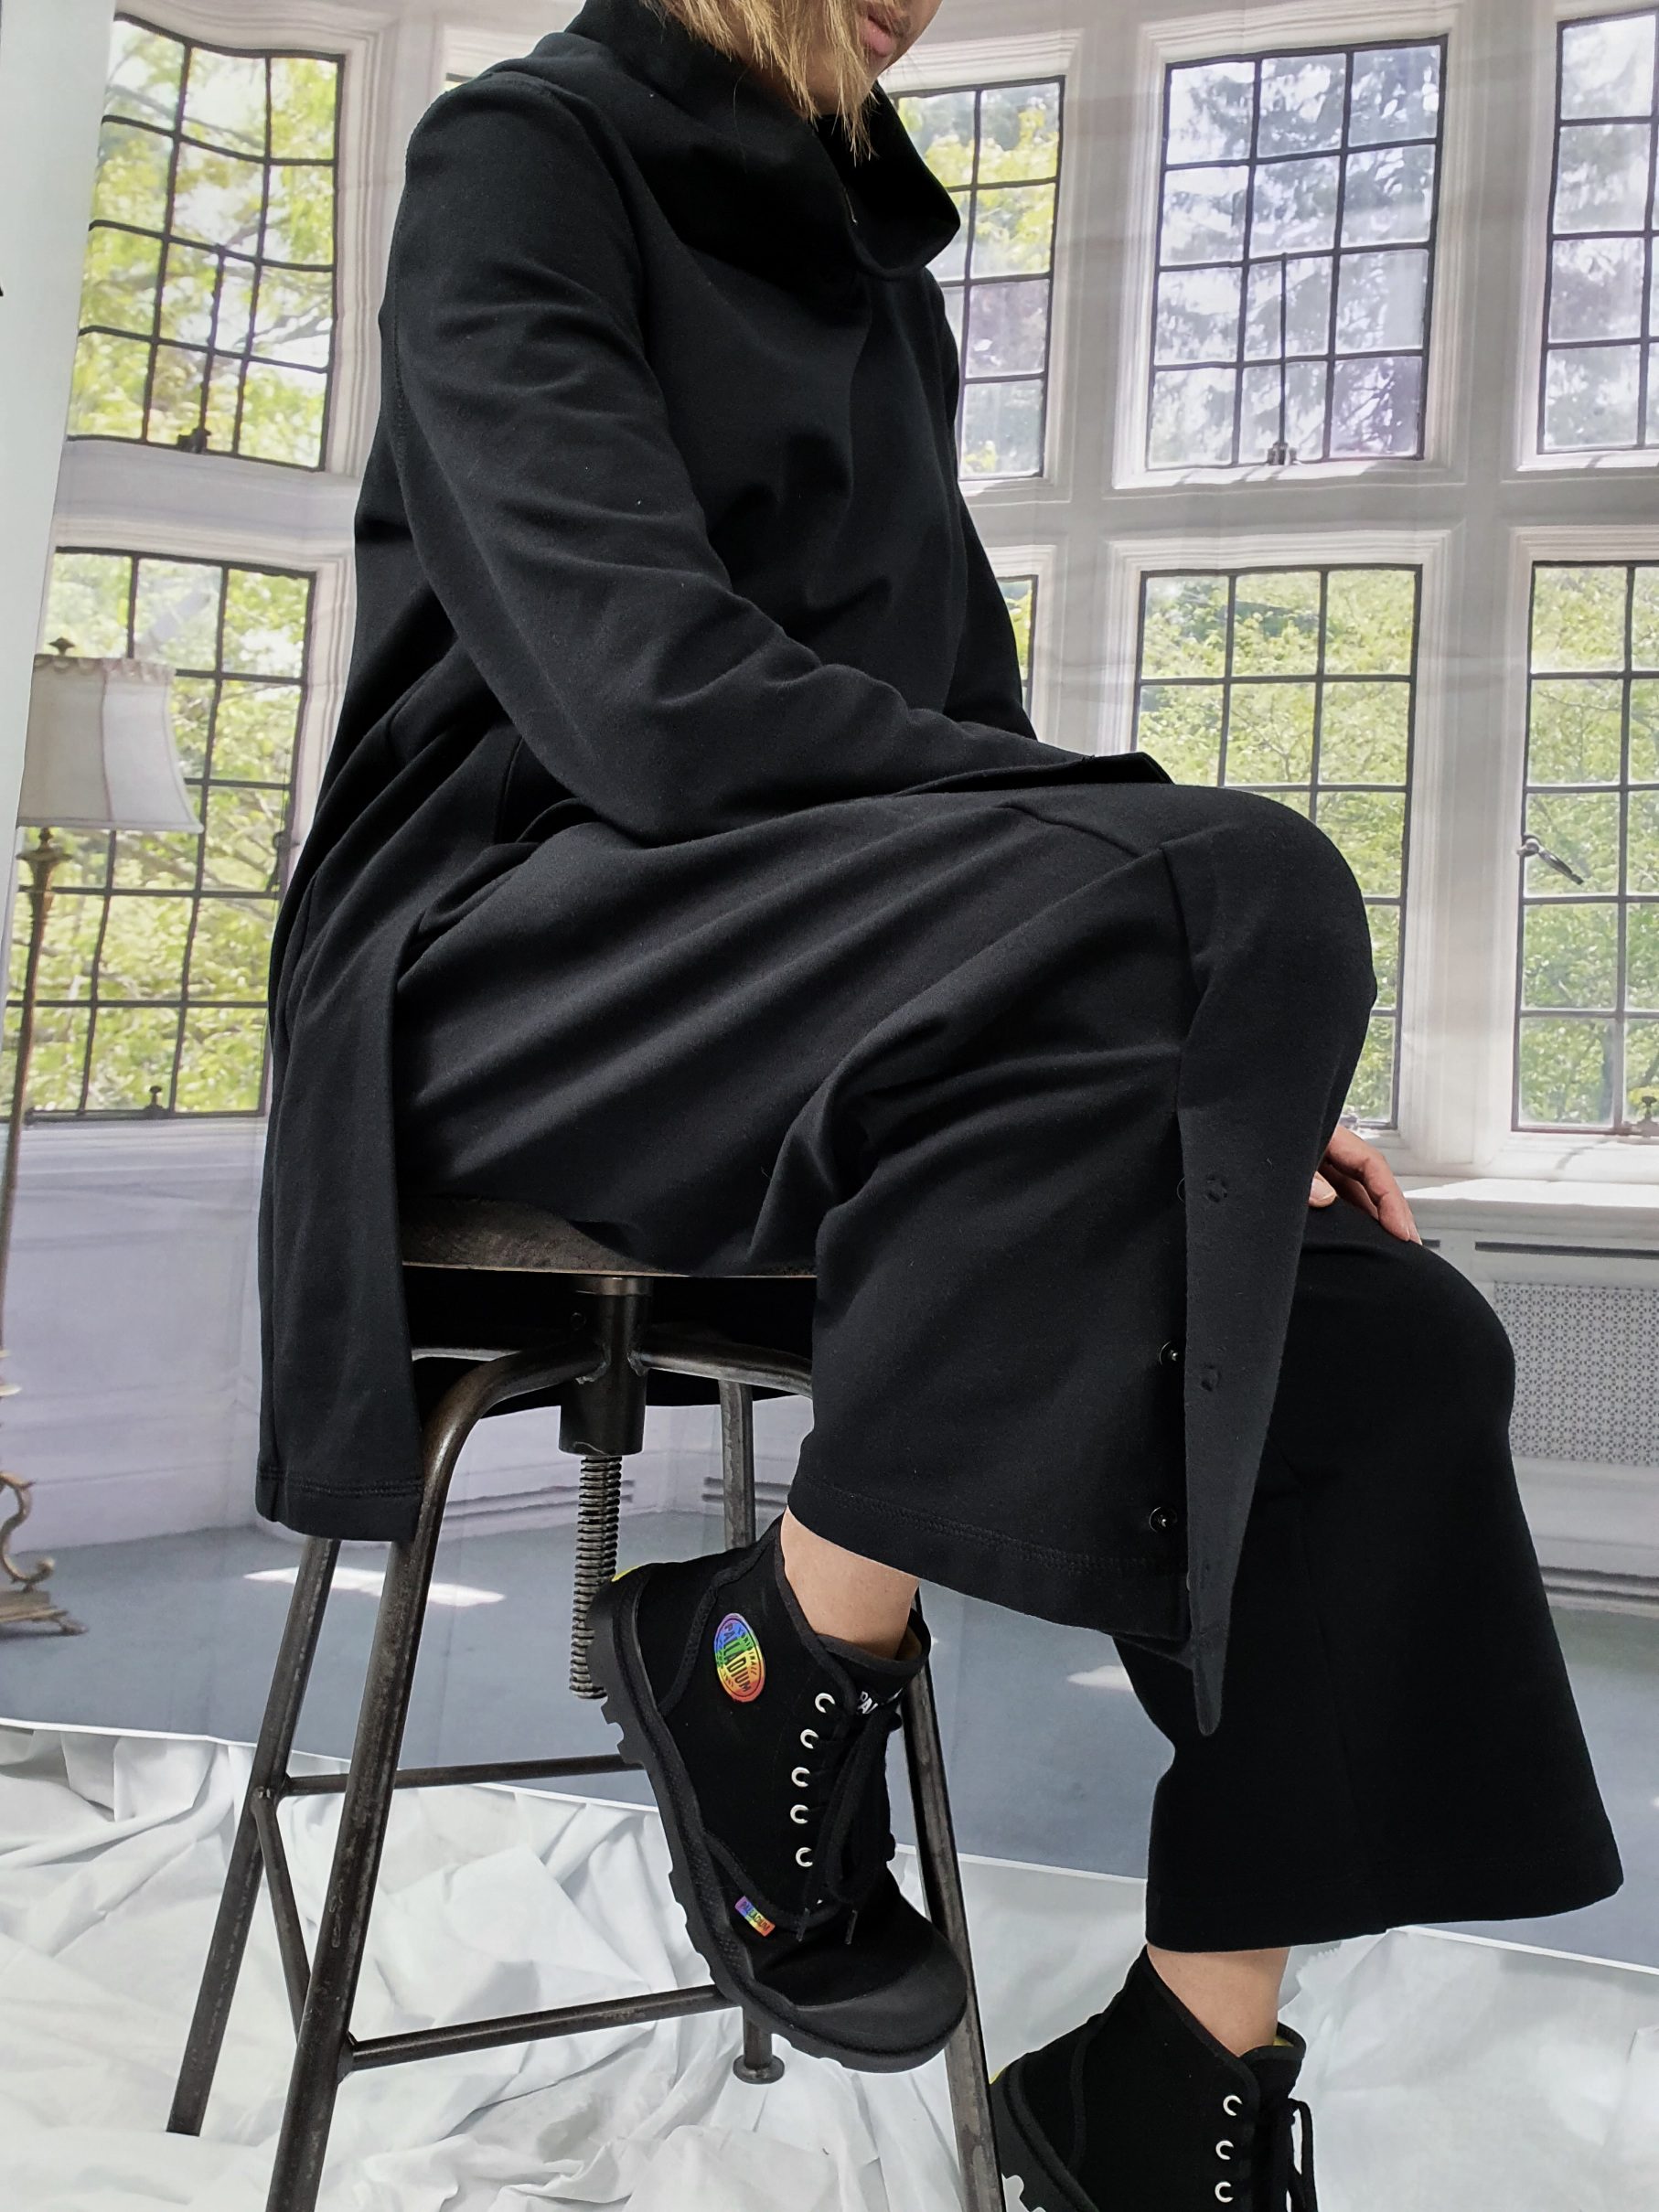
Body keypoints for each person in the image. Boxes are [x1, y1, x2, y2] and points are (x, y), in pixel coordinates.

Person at [256, 3, 1625, 2204]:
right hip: (514, 964)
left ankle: (1168, 2082)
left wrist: (1203, 1055)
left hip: (829, 1001)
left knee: (1395, 1339)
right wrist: (1170, 929)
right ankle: (782, 1652)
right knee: (1242, 869)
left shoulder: (867, 258)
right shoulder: (522, 154)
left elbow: (954, 731)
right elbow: (640, 699)